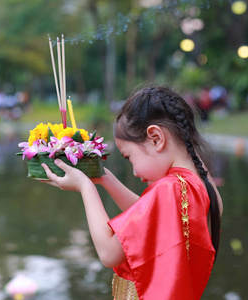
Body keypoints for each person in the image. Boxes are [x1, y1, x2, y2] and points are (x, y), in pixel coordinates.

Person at [41, 86, 223, 299]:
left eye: (129, 157)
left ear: (156, 138)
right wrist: (105, 179)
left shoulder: (169, 188)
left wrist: (85, 187)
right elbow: (149, 219)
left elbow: (109, 253)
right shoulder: (198, 185)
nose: (134, 171)